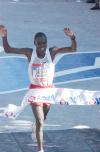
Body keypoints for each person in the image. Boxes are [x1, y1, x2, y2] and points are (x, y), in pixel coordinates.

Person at [0, 25, 77, 152]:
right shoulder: (30, 52)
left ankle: (35, 127)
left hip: (49, 91)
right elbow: (8, 49)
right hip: (35, 91)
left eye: (44, 43)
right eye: (39, 43)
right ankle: (41, 149)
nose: (42, 45)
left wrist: (72, 37)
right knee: (40, 121)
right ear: (34, 42)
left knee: (42, 119)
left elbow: (73, 49)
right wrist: (4, 36)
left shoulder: (52, 52)